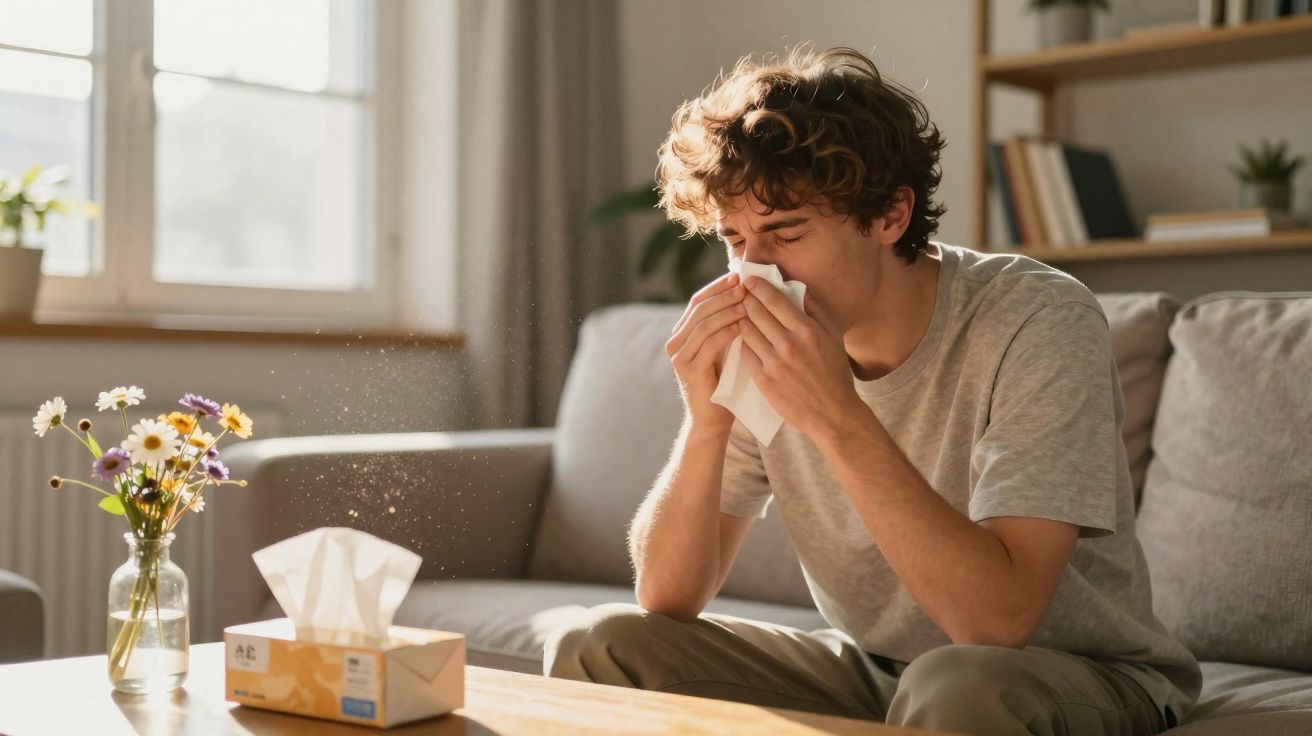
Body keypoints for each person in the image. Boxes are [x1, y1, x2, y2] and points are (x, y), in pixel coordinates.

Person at [543, 45, 1200, 735]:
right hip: (879, 669)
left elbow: (998, 623)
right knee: (601, 645)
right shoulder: (771, 346)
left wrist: (837, 416)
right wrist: (706, 424)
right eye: (734, 240)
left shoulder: (1035, 319)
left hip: (1064, 672)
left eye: (785, 232)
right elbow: (666, 596)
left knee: (957, 687)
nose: (752, 273)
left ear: (890, 215)